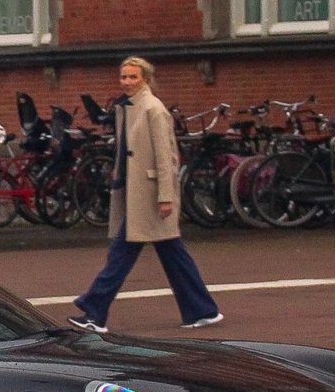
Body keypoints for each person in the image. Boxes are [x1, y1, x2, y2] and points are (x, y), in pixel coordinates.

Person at [68, 57, 222, 330]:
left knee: (121, 254)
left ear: (146, 80)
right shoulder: (129, 108)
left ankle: (95, 311)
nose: (127, 82)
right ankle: (202, 310)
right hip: (137, 192)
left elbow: (166, 157)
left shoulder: (153, 109)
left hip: (149, 195)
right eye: (124, 77)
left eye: (133, 77)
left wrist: (165, 197)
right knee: (172, 254)